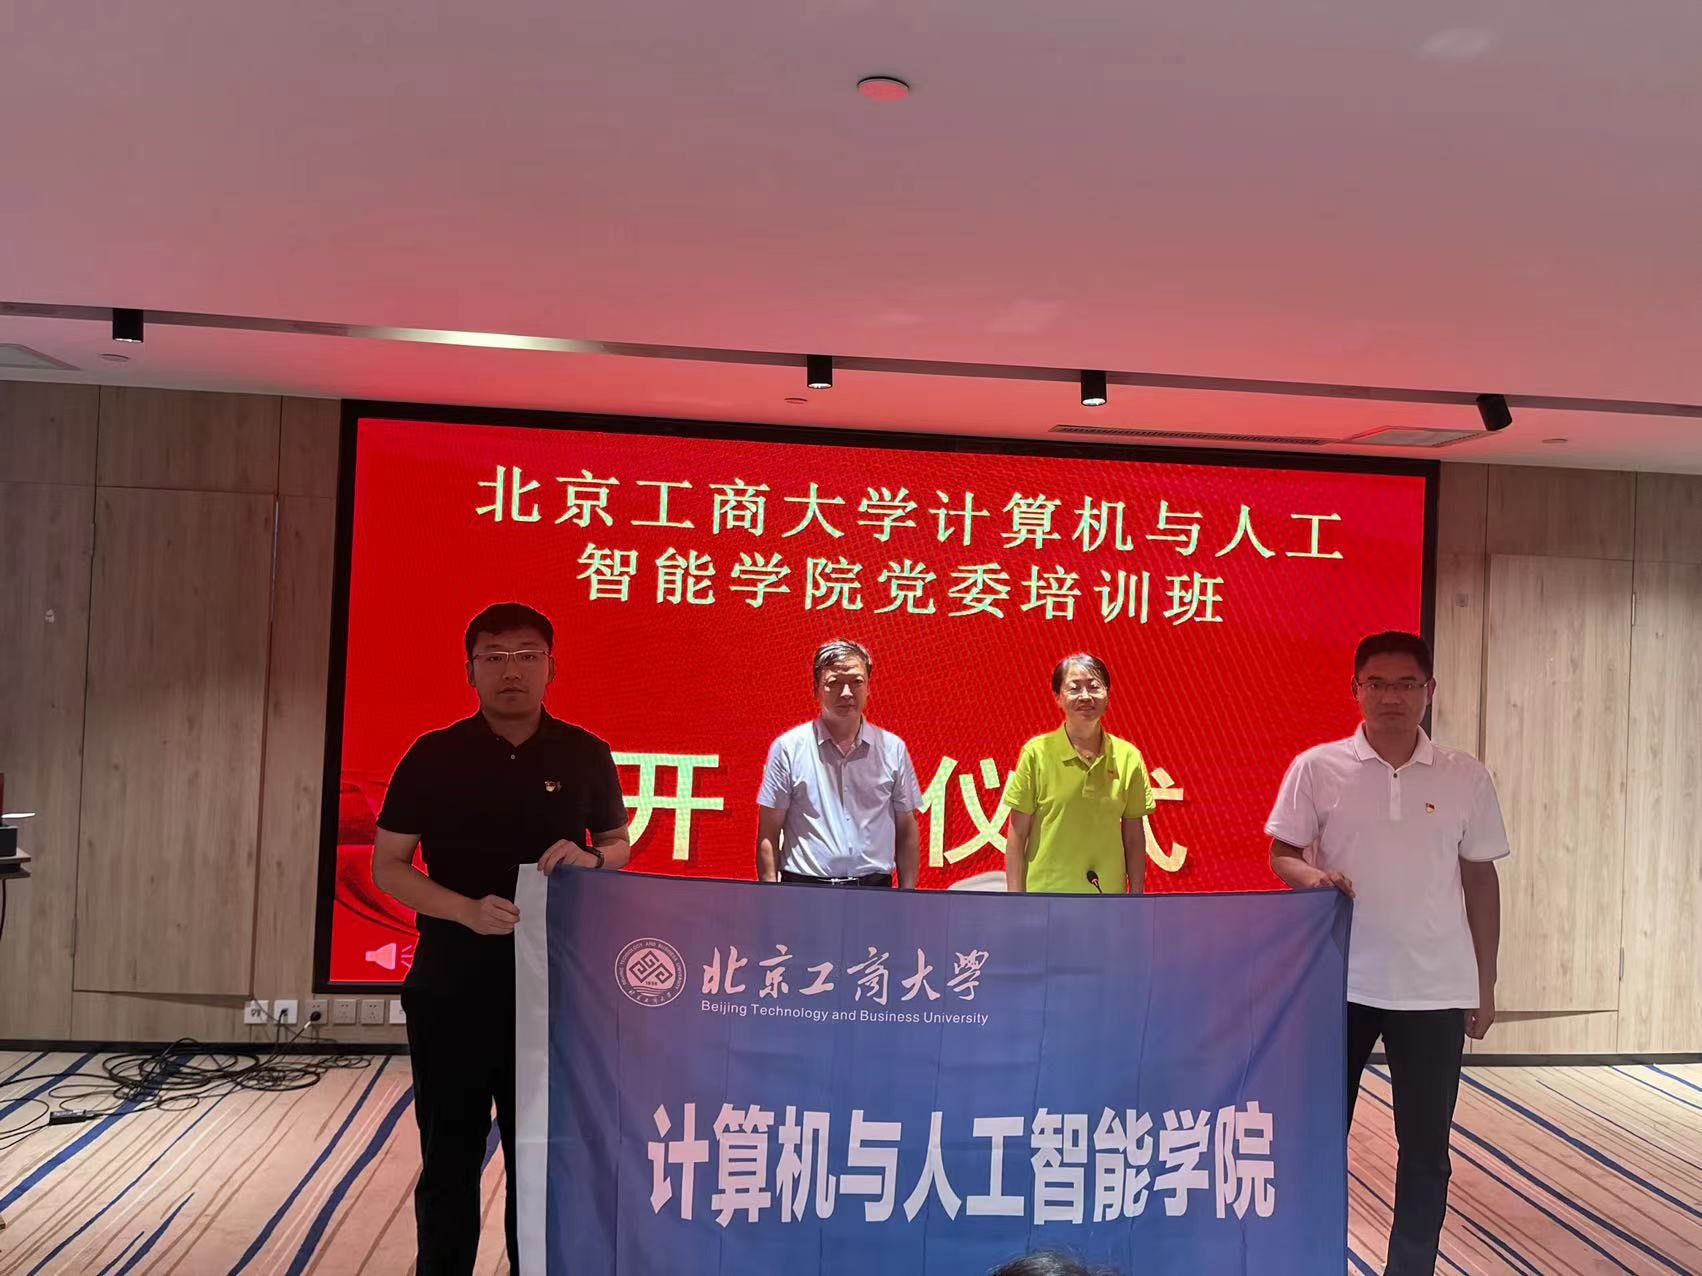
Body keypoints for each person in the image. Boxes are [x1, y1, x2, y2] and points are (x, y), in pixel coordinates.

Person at [371, 602, 631, 1274]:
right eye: (494, 656)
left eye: (526, 655)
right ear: (470, 671)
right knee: (449, 1157)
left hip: (553, 991)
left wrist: (592, 859)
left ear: (551, 667)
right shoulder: (433, 755)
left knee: (540, 1161)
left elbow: (617, 846)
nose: (511, 670)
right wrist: (462, 910)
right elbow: (388, 866)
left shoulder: (585, 753)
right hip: (451, 985)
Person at [1265, 630, 1507, 1276]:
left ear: (1430, 691)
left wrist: (1485, 985)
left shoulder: (1464, 775)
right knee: (1317, 1141)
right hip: (1338, 984)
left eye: (1407, 684)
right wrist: (1313, 876)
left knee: (1426, 1153)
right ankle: (1309, 1260)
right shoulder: (1317, 767)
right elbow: (1282, 851)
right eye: (1377, 683)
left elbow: (1481, 879)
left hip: (1434, 989)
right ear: (1355, 689)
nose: (1392, 697)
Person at [756, 639, 922, 888]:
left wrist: (908, 897)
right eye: (834, 683)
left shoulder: (892, 748)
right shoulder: (788, 748)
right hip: (804, 890)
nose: (846, 693)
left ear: (868, 687)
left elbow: (906, 827)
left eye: (856, 682)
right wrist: (770, 896)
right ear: (816, 689)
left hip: (874, 891)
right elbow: (768, 831)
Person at [1002, 653, 1156, 894]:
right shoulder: (1037, 753)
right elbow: (1017, 834)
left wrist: (1136, 896)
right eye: (1074, 688)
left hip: (1105, 896)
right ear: (1058, 697)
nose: (1085, 696)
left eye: (1094, 687)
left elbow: (1134, 837)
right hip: (1045, 895)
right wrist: (1015, 899)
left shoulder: (1128, 757)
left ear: (1107, 694)